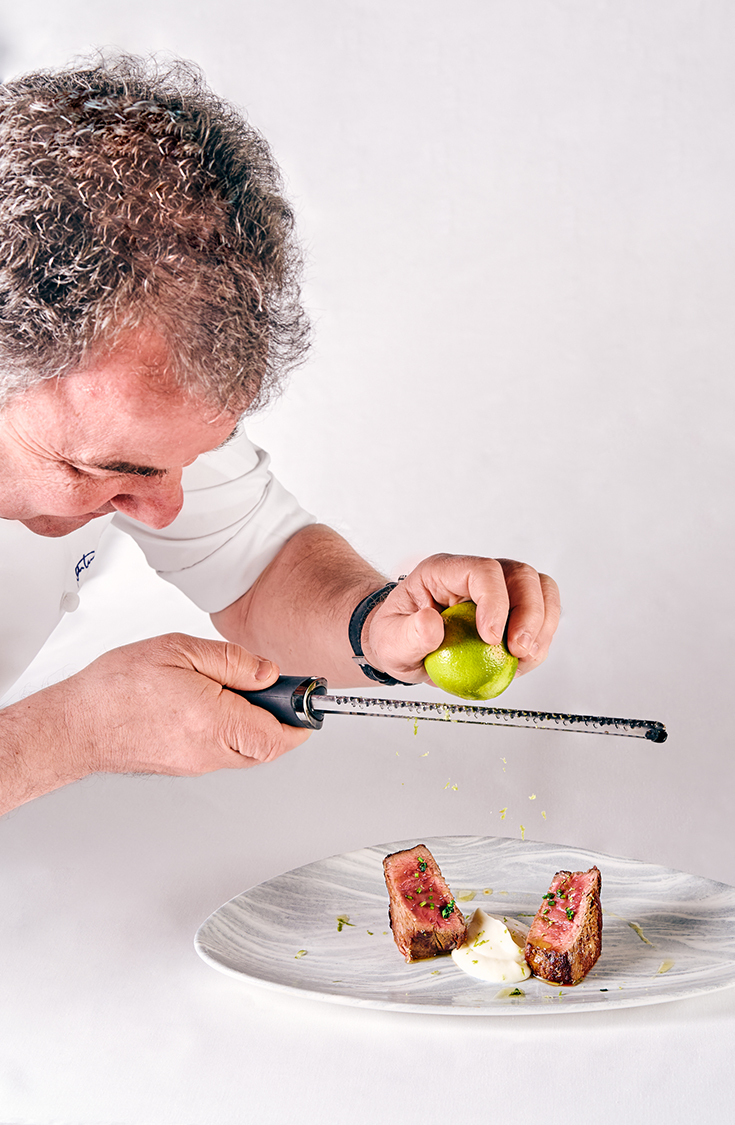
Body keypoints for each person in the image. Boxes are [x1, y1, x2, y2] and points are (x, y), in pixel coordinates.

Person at [0, 54, 560, 816]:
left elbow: (257, 564)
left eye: (181, 464)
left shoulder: (128, 394)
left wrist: (378, 624)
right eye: (108, 469)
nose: (165, 510)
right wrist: (68, 735)